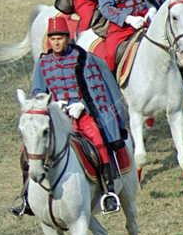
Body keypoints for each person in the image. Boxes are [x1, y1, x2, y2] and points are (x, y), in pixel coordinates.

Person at [11, 15, 127, 216]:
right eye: (53, 38)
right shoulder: (43, 63)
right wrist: (53, 104)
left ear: (67, 38)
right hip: (56, 116)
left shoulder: (83, 59)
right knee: (27, 149)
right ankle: (27, 196)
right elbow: (38, 90)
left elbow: (94, 90)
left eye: (60, 38)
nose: (56, 42)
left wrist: (81, 105)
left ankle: (108, 191)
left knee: (98, 141)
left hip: (81, 114)